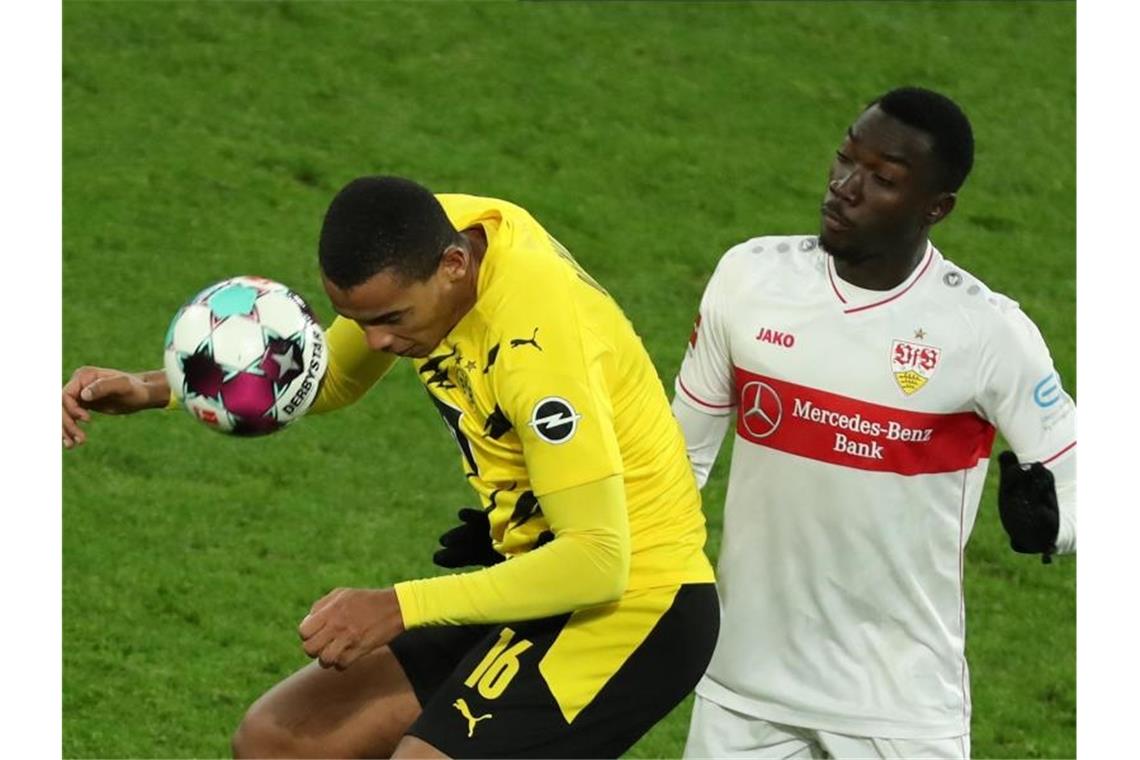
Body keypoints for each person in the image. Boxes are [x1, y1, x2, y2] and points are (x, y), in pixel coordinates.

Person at [61, 177, 718, 758]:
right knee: (279, 741)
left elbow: (600, 559)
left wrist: (401, 606)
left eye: (390, 320)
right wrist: (158, 387)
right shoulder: (439, 236)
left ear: (454, 267)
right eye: (357, 319)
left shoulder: (538, 352)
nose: (376, 342)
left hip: (637, 604)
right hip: (532, 575)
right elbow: (332, 377)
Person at [673, 87, 1075, 759]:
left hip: (900, 702)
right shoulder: (748, 280)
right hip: (745, 683)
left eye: (882, 179)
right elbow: (675, 463)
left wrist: (1053, 526)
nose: (844, 187)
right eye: (844, 159)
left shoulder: (985, 332)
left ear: (935, 208)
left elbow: (1077, 473)